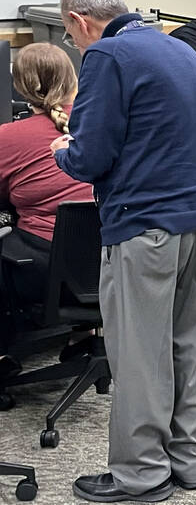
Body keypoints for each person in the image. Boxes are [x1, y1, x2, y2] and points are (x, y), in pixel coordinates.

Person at [50, 0, 196, 504]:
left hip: (145, 225)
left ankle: (141, 472)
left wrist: (63, 149)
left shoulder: (106, 55)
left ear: (81, 22)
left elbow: (90, 156)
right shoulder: (181, 49)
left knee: (139, 352)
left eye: (69, 35)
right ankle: (188, 459)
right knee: (188, 342)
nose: (74, 46)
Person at [0, 43, 92, 307]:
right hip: (113, 263)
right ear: (73, 78)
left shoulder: (9, 137)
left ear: (20, 86)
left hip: (45, 270)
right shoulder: (105, 124)